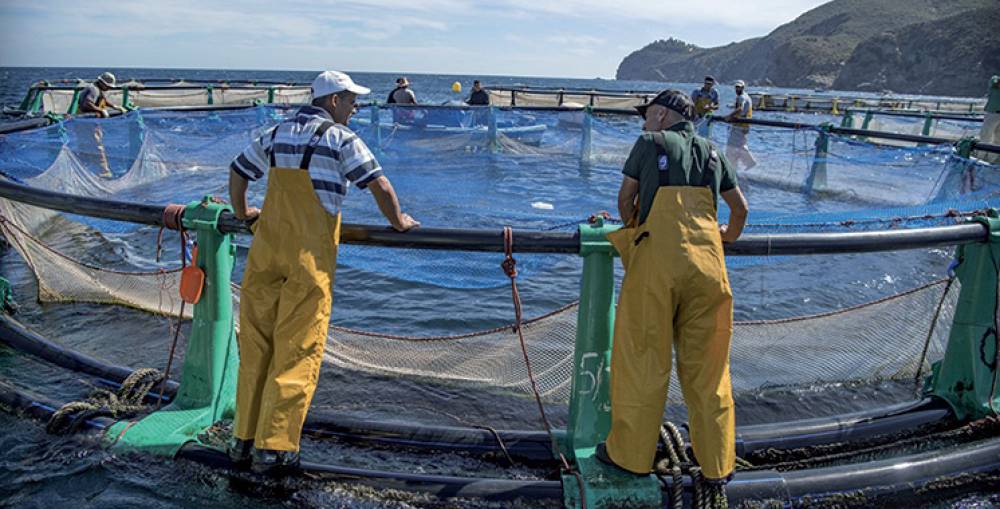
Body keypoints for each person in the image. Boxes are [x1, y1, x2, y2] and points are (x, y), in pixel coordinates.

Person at [227, 70, 419, 474]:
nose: (354, 108)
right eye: (351, 101)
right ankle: (274, 448)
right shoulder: (340, 139)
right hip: (306, 260)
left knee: (256, 347)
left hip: (265, 252)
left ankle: (242, 441)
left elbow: (239, 170)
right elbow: (379, 185)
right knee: (297, 348)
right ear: (332, 101)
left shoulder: (276, 132)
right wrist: (399, 220)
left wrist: (244, 213)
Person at [595, 89, 748, 488]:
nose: (643, 121)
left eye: (647, 114)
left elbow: (626, 198)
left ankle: (629, 457)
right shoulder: (714, 152)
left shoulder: (649, 143)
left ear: (662, 116)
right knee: (709, 369)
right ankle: (717, 463)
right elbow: (740, 209)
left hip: (657, 268)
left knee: (644, 361)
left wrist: (633, 226)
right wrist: (727, 236)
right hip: (708, 268)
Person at [76, 72, 125, 177]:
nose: (109, 88)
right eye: (108, 86)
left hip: (89, 122)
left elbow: (103, 100)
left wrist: (114, 106)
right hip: (86, 122)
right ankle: (104, 172)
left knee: (86, 146)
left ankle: (86, 169)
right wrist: (101, 110)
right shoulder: (93, 89)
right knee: (97, 146)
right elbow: (87, 103)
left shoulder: (98, 89)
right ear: (102, 83)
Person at [724, 80, 757, 171]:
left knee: (732, 144)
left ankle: (731, 165)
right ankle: (748, 162)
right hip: (744, 125)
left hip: (740, 125)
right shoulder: (746, 97)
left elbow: (740, 108)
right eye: (736, 87)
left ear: (743, 87)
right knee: (740, 144)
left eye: (739, 87)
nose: (737, 89)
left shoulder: (742, 97)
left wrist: (729, 116)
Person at [979, 75, 1000, 164]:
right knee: (985, 136)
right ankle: (980, 157)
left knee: (998, 139)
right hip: (992, 112)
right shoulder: (994, 81)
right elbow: (994, 81)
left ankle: (992, 159)